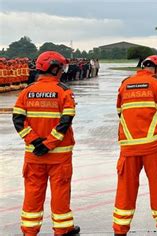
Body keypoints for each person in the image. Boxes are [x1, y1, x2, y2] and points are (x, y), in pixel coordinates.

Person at [12, 51, 80, 235]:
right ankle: (63, 229)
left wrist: (35, 142)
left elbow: (18, 120)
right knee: (60, 193)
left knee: (33, 193)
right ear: (55, 68)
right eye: (61, 68)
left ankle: (29, 230)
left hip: (34, 155)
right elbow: (65, 122)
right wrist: (49, 144)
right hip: (59, 157)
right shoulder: (64, 91)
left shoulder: (26, 92)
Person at [113, 55, 157, 236]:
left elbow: (120, 111)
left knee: (125, 189)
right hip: (153, 145)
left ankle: (120, 229)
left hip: (128, 146)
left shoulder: (125, 83)